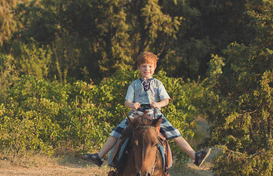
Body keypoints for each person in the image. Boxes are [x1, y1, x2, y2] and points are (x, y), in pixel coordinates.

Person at [82, 52, 211, 167]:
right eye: (144, 66)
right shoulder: (134, 84)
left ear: (154, 68)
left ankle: (194, 156)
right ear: (139, 67)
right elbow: (126, 102)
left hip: (155, 114)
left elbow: (166, 100)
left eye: (150, 66)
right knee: (116, 133)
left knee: (175, 134)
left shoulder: (158, 84)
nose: (147, 69)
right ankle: (99, 157)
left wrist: (159, 104)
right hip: (136, 114)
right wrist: (132, 105)